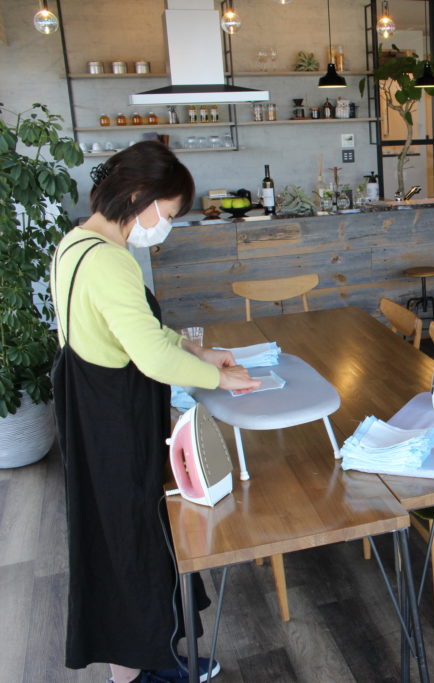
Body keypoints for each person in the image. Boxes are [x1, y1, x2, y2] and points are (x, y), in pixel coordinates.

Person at [50, 142, 260, 683]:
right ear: (139, 196)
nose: (165, 226)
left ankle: (144, 664)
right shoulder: (110, 261)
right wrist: (222, 378)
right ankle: (140, 673)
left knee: (119, 541)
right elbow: (150, 357)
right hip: (115, 419)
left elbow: (134, 332)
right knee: (134, 542)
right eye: (167, 213)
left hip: (91, 410)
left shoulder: (76, 243)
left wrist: (196, 350)